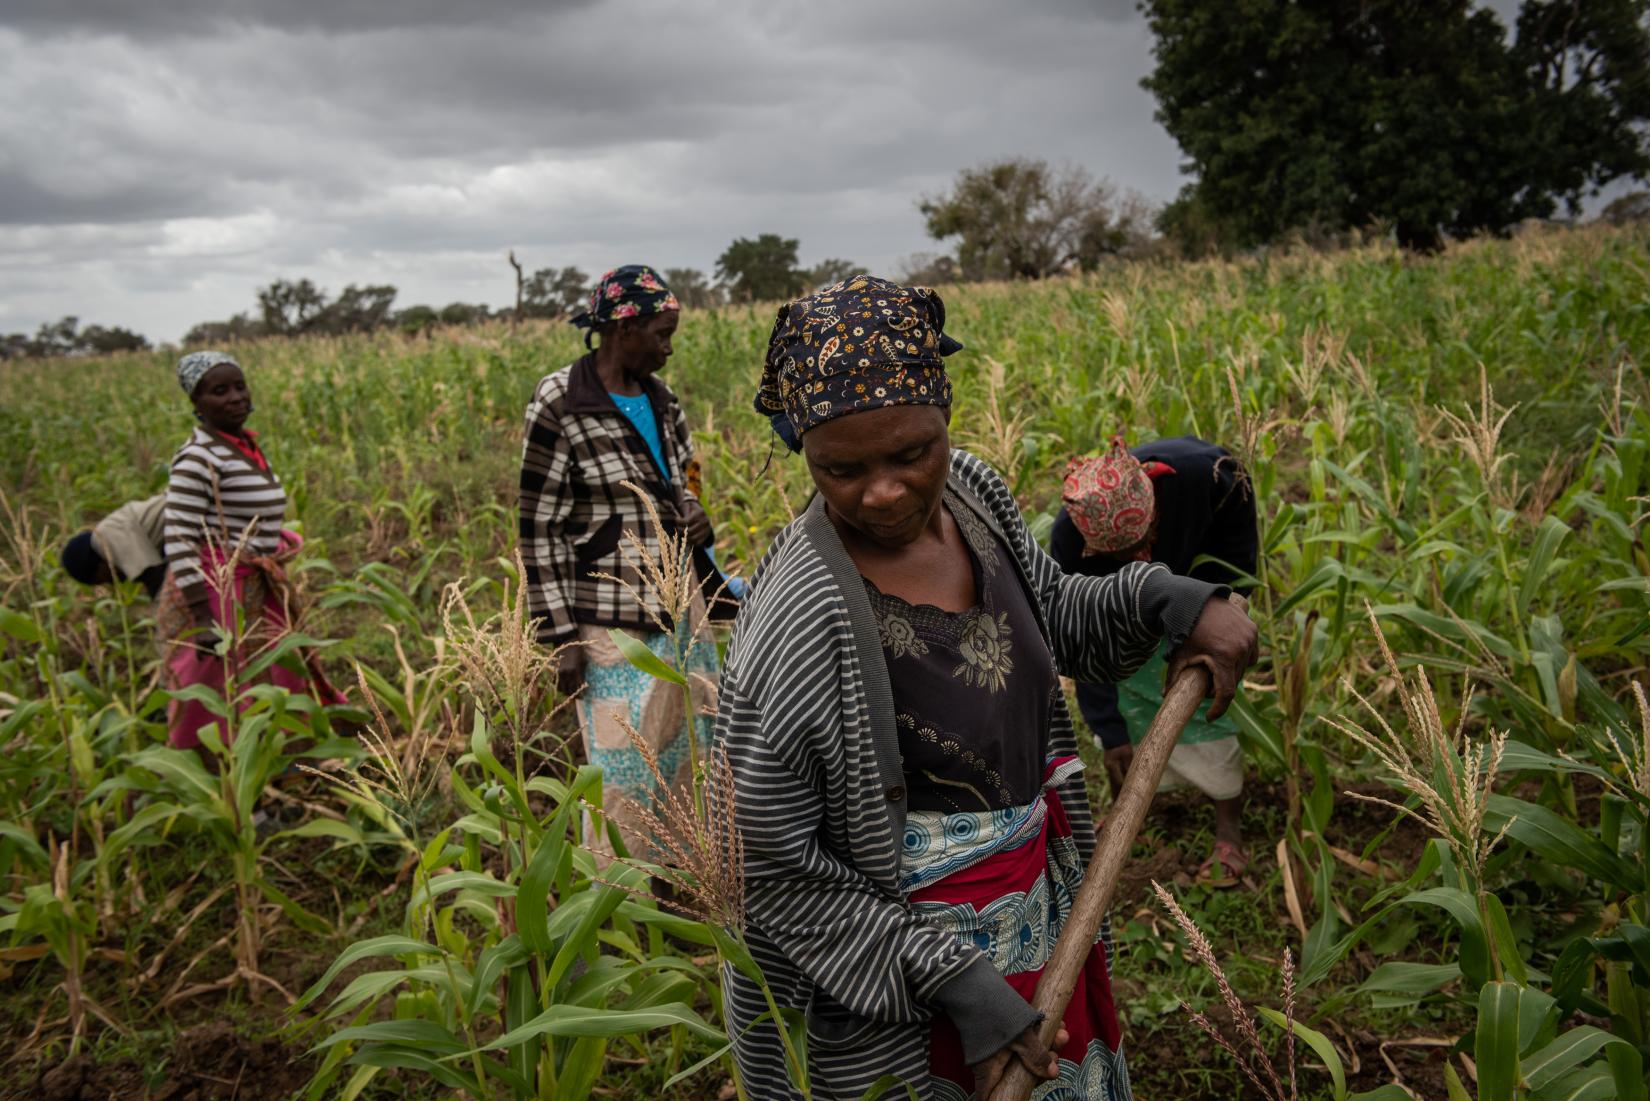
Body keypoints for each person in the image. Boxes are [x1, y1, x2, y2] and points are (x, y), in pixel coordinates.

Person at [717, 277, 1258, 1100]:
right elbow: (770, 871)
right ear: (804, 450)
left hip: (1036, 907)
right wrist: (958, 986)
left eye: (911, 452)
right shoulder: (802, 614)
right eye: (842, 467)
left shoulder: (972, 493)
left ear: (945, 414)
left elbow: (1056, 616)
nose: (884, 490)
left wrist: (1170, 598)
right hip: (903, 971)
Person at [518, 265, 722, 857]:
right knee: (621, 775)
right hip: (610, 623)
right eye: (661, 333)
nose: (668, 346)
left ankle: (685, 884)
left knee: (691, 758)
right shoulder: (561, 402)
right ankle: (615, 906)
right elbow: (539, 527)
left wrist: (694, 508)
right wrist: (561, 641)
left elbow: (686, 480)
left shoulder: (664, 401)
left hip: (680, 608)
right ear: (622, 327)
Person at [1050, 436, 1259, 887]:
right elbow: (1085, 642)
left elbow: (1239, 559)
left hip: (1204, 599)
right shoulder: (1070, 539)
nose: (1138, 558)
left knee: (1209, 705)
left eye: (1146, 541)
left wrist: (1212, 610)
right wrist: (1108, 729)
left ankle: (1229, 829)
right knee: (1134, 709)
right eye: (1121, 556)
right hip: (1132, 621)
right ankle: (1138, 805)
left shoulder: (1208, 476)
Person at [159, 350, 344, 752]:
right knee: (223, 695)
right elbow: (178, 536)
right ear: (197, 402)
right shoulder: (198, 458)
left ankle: (280, 773)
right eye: (219, 391)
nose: (235, 397)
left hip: (252, 586)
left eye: (239, 386)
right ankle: (232, 797)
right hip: (217, 592)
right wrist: (203, 617)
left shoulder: (239, 447)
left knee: (277, 679)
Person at [60, 494, 168, 598]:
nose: (114, 583)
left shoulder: (107, 536)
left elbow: (156, 580)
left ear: (99, 566)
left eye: (104, 579)